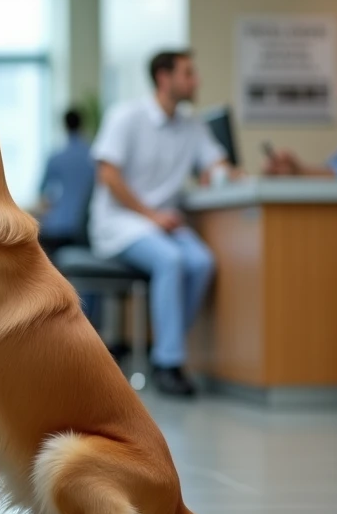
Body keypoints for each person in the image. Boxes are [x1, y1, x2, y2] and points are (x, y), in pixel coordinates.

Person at [89, 50, 231, 397]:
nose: (195, 81)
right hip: (121, 223)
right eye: (188, 74)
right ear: (164, 78)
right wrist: (149, 215)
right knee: (171, 260)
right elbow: (108, 174)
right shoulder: (126, 116)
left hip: (162, 225)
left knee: (202, 262)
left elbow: (214, 164)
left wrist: (226, 172)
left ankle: (163, 348)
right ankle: (169, 364)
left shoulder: (192, 125)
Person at [36, 108, 94, 253]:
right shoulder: (94, 157)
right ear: (82, 125)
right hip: (85, 228)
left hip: (57, 227)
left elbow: (44, 197)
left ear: (64, 126)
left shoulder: (56, 157)